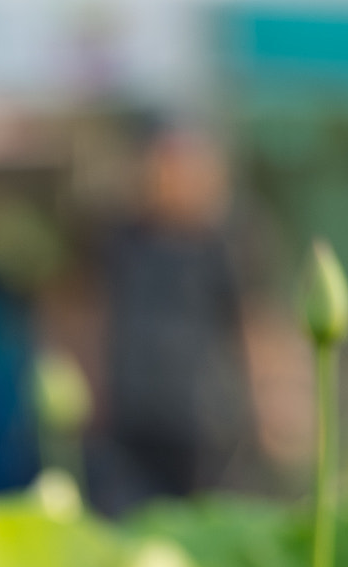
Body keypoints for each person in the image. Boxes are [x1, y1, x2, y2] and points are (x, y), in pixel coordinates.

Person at [91, 125, 258, 513]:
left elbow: (250, 323)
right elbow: (94, 316)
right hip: (131, 414)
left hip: (204, 416)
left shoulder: (227, 243)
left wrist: (272, 401)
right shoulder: (122, 240)